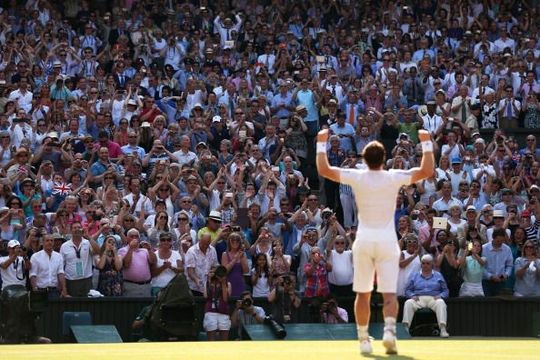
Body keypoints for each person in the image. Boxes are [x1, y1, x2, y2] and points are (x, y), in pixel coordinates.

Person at [316, 128, 434, 355]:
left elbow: (323, 169)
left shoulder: (356, 176)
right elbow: (427, 169)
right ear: (383, 159)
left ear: (365, 160)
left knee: (363, 293)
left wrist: (322, 143)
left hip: (364, 241)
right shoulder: (393, 176)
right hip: (388, 241)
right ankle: (389, 332)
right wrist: (426, 142)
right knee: (389, 293)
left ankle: (363, 340)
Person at [402, 254, 450, 338]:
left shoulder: (438, 275)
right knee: (408, 303)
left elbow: (445, 290)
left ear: (432, 264)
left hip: (433, 298)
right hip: (418, 299)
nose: (425, 265)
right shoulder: (415, 275)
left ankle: (442, 329)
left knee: (441, 303)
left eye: (427, 263)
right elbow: (408, 290)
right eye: (423, 263)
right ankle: (405, 329)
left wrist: (441, 295)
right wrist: (412, 295)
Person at [59, 221, 100, 297]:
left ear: (82, 229)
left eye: (79, 227)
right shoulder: (64, 246)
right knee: (73, 306)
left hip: (86, 280)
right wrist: (63, 287)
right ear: (71, 230)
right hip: (71, 281)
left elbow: (98, 251)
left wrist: (89, 237)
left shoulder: (87, 242)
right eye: (74, 228)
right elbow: (61, 266)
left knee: (87, 306)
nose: (77, 229)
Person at [118, 229, 157, 297]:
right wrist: (131, 248)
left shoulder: (145, 251)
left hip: (146, 286)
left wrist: (149, 249)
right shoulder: (122, 250)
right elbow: (126, 264)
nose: (134, 238)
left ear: (139, 238)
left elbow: (153, 261)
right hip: (130, 286)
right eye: (131, 236)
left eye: (136, 236)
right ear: (127, 238)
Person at [29, 234, 68, 299]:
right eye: (47, 240)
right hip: (40, 290)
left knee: (55, 309)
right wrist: (35, 289)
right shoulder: (35, 257)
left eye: (51, 241)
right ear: (43, 242)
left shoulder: (59, 256)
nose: (49, 242)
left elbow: (61, 273)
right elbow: (33, 275)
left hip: (54, 290)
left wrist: (64, 289)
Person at [203, 265, 231, 341]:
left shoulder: (227, 284)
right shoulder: (207, 283)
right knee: (211, 340)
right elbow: (206, 296)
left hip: (223, 311)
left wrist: (223, 283)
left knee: (224, 340)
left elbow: (225, 299)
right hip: (210, 311)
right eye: (212, 272)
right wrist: (209, 280)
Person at [482, 228, 514, 296]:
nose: (500, 243)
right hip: (486, 282)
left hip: (501, 282)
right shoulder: (484, 248)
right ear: (493, 238)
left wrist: (506, 274)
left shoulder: (507, 249)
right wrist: (490, 276)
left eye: (502, 241)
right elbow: (480, 267)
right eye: (498, 241)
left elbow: (509, 265)